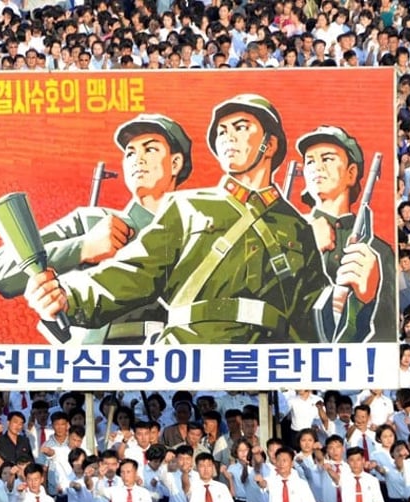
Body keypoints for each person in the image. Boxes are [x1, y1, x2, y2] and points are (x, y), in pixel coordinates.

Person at [25, 95, 376, 344]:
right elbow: (133, 273)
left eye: (241, 127)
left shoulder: (296, 227)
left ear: (269, 145)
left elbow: (312, 324)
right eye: (222, 131)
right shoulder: (187, 206)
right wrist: (68, 296)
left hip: (262, 359)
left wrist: (360, 298)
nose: (228, 137)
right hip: (188, 351)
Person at [0, 114, 193, 344]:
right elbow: (3, 271)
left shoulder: (196, 231)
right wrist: (83, 247)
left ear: (175, 163)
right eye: (130, 153)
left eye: (150, 149)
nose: (138, 159)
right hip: (97, 357)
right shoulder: (92, 221)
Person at [296, 125, 395, 342]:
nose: (317, 167)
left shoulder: (379, 251)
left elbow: (389, 327)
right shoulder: (290, 233)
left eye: (327, 158)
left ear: (351, 173)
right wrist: (304, 244)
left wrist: (369, 298)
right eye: (310, 161)